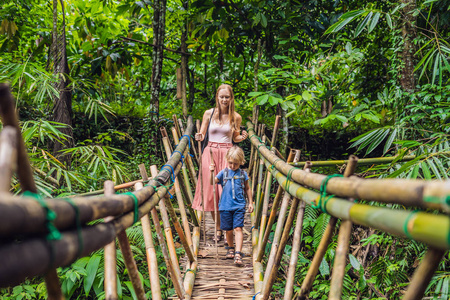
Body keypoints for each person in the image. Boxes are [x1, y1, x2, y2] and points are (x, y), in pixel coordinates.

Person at [193, 84, 248, 242]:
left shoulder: (235, 117)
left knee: (224, 191)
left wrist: (242, 137)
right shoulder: (208, 114)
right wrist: (198, 136)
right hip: (209, 153)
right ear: (217, 97)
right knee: (211, 192)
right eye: (221, 96)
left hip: (227, 154)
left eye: (227, 97)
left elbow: (235, 137)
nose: (224, 99)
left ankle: (226, 228)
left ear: (231, 99)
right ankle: (218, 228)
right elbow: (202, 134)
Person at [210, 145, 253, 266]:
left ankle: (238, 253)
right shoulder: (223, 173)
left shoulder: (243, 174)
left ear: (241, 162)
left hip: (239, 205)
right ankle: (230, 248)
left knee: (238, 228)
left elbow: (248, 189)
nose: (233, 166)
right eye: (231, 163)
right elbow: (211, 182)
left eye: (236, 164)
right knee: (228, 230)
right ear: (227, 160)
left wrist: (250, 202)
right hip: (225, 206)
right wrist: (211, 172)